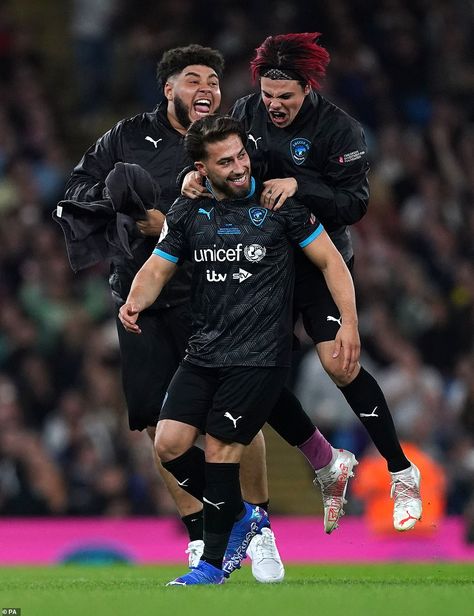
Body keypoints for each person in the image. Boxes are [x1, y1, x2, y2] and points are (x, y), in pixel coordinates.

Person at [57, 44, 285, 580]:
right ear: (169, 90)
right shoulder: (126, 138)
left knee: (234, 421)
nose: (206, 87)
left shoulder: (233, 141)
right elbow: (76, 191)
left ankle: (262, 527)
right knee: (161, 425)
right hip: (148, 300)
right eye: (193, 79)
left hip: (217, 297)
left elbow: (261, 203)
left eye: (213, 79)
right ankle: (202, 536)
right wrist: (125, 210)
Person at [182, 32, 422, 531]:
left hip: (317, 257)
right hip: (260, 258)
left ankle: (401, 471)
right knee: (252, 367)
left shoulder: (340, 131)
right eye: (268, 95)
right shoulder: (246, 114)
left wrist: (302, 184)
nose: (273, 105)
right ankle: (324, 460)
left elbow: (355, 204)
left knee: (340, 363)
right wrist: (195, 176)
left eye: (284, 97)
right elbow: (221, 159)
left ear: (307, 88)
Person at [118, 114, 360, 586]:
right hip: (204, 351)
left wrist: (348, 323)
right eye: (224, 162)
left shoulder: (281, 207)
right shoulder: (188, 212)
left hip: (261, 356)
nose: (238, 167)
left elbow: (333, 262)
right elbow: (158, 265)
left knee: (224, 448)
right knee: (167, 444)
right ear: (201, 169)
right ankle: (244, 514)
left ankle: (211, 564)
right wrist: (134, 301)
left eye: (240, 156)